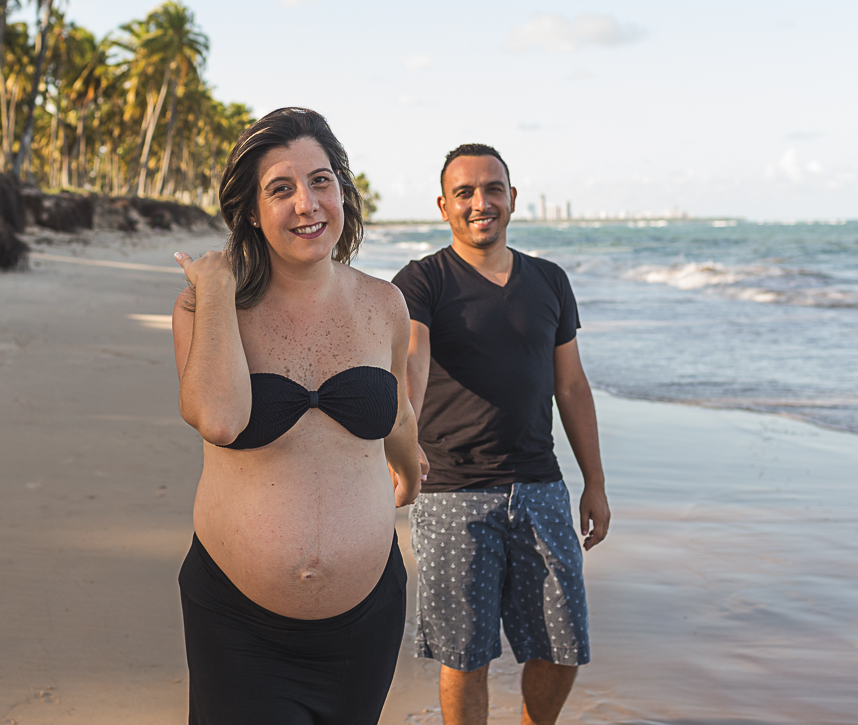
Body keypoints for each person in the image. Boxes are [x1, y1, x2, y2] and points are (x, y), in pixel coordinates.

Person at [171, 107, 424, 724]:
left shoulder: (383, 303)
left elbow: (396, 411)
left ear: (342, 189)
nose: (307, 205)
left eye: (320, 181)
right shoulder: (205, 309)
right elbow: (221, 419)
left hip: (366, 622)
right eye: (281, 189)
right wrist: (217, 290)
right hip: (240, 625)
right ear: (251, 211)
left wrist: (411, 475)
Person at [392, 143, 611, 725]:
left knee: (563, 646)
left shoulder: (549, 281)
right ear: (444, 206)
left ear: (512, 199)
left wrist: (595, 482)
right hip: (452, 493)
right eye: (464, 192)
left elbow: (572, 386)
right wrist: (404, 444)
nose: (480, 203)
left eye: (493, 189)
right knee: (465, 657)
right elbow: (412, 361)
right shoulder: (422, 281)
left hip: (540, 487)